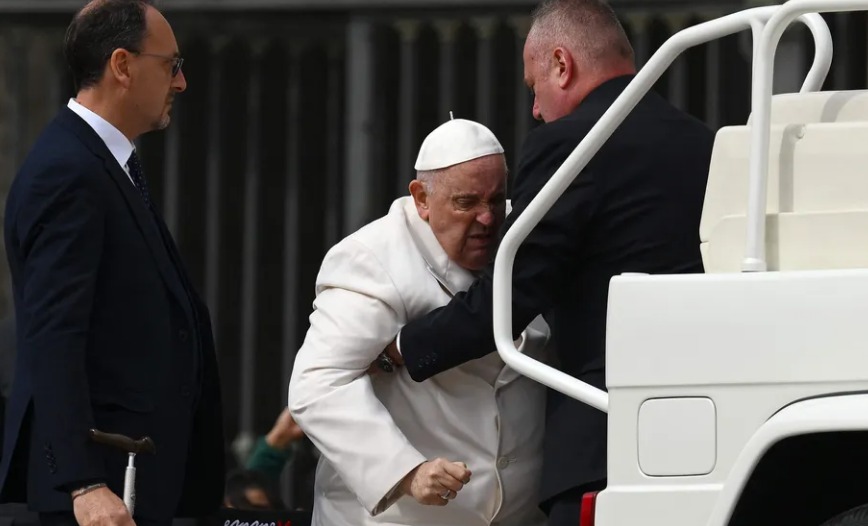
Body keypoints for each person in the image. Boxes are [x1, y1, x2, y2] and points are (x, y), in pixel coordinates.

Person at [380, 1, 716, 525]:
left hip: (604, 444)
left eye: (533, 85)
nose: (534, 108)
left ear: (562, 64)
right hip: (705, 429)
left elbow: (511, 296)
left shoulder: (568, 143)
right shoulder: (703, 140)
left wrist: (401, 348)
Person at [0, 2, 225, 526]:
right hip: (102, 495)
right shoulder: (69, 172)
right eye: (172, 65)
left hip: (135, 483)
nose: (182, 82)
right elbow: (53, 337)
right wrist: (82, 483)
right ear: (122, 66)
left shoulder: (102, 163)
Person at [288, 119, 551, 526]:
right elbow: (317, 384)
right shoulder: (372, 259)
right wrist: (406, 472)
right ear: (421, 198)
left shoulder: (525, 237)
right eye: (466, 203)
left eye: (496, 200)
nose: (486, 219)